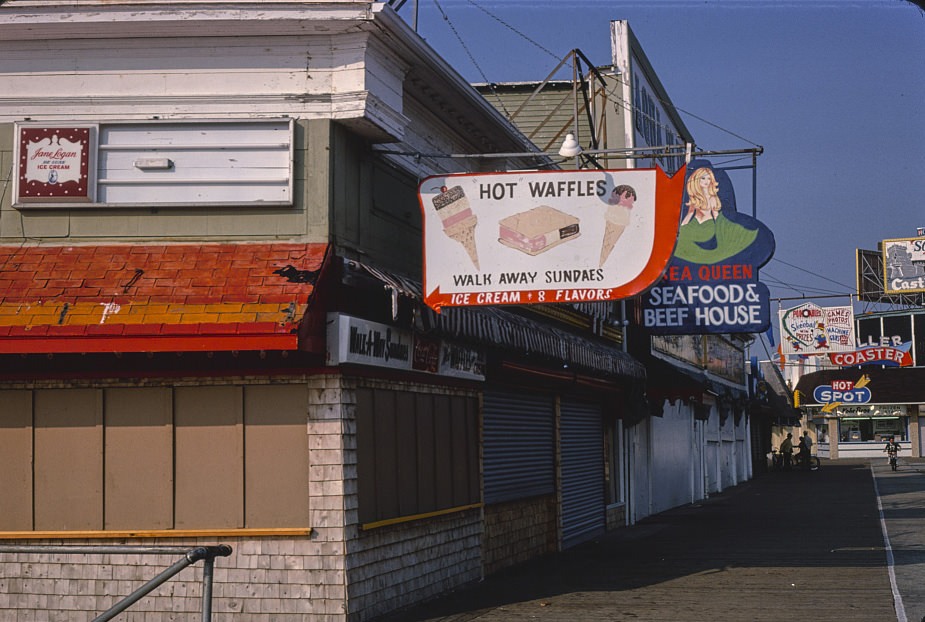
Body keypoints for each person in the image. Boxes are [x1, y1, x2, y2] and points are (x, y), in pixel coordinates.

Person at [673, 166, 759, 264]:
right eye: (703, 178)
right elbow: (689, 214)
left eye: (708, 178)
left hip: (707, 226)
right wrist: (681, 230)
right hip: (694, 225)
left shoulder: (712, 198)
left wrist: (722, 232)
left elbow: (716, 216)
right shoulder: (694, 198)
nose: (706, 181)